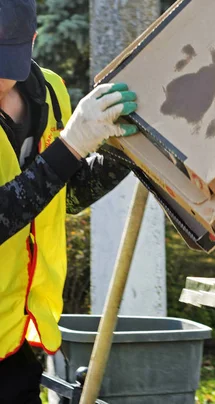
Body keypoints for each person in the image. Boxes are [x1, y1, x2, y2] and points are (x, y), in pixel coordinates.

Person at [0, 0, 140, 402]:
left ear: (32, 40)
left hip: (16, 341)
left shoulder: (52, 92)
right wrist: (70, 146)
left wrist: (122, 152)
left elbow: (63, 197)